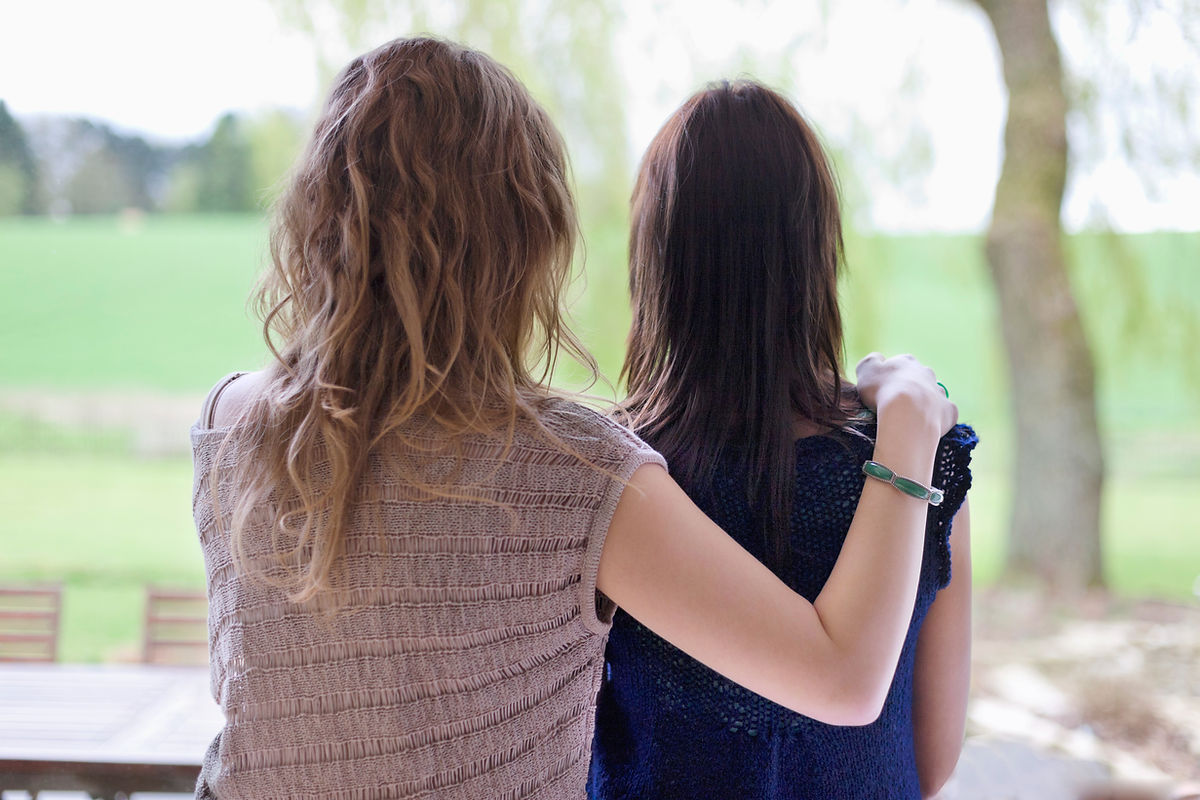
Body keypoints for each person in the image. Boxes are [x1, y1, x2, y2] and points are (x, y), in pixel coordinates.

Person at [191, 39, 957, 799]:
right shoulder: (576, 473)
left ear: (317, 213)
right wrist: (912, 417)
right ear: (525, 236)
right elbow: (849, 684)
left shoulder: (227, 424)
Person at [589, 80, 977, 800]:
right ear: (817, 253)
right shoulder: (922, 457)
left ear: (657, 258)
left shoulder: (606, 475)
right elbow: (933, 759)